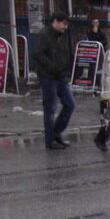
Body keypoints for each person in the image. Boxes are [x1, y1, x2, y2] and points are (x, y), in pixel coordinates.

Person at [32, 12, 75, 149]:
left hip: (61, 75)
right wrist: (52, 67)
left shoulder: (60, 36)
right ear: (55, 21)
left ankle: (56, 133)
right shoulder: (45, 34)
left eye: (67, 24)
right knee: (50, 108)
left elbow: (63, 53)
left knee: (70, 104)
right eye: (64, 24)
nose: (66, 27)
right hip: (48, 76)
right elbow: (37, 53)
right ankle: (50, 140)